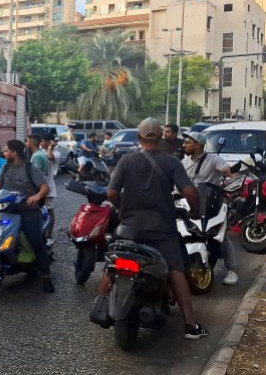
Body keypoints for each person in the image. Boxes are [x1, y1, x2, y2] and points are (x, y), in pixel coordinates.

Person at [100, 118, 208, 339]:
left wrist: (123, 209)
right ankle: (190, 325)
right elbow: (191, 193)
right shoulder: (171, 162)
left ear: (139, 138)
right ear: (161, 138)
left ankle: (100, 307)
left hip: (129, 228)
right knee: (176, 270)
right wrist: (196, 212)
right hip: (162, 229)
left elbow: (111, 194)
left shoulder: (126, 161)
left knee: (113, 263)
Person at [0, 139, 55, 293]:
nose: (3, 153)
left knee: (34, 239)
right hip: (7, 207)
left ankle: (46, 277)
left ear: (14, 153)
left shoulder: (30, 168)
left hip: (28, 209)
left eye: (6, 150)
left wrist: (36, 196)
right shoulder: (5, 166)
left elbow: (44, 187)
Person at [181, 131, 238, 285]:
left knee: (221, 236)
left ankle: (232, 270)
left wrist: (232, 175)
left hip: (212, 204)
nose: (184, 145)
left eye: (187, 142)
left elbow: (229, 171)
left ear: (198, 144)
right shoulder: (184, 162)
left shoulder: (213, 159)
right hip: (188, 204)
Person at [40, 134, 60, 246]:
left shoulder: (56, 152)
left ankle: (49, 235)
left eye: (43, 141)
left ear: (49, 142)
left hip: (49, 186)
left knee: (49, 210)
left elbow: (50, 157)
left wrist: (49, 148)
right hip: (38, 186)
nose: (41, 143)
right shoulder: (40, 151)